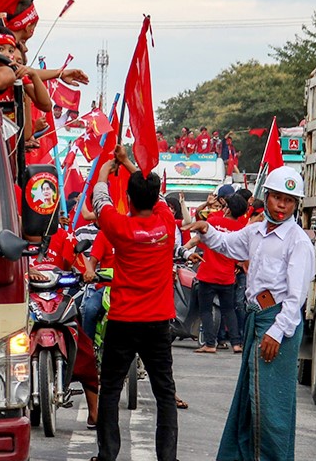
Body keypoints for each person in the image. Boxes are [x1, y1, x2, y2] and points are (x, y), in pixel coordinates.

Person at [188, 166, 315, 461]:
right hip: (256, 318)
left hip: (277, 322)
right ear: (266, 197)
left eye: (290, 200)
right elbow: (227, 245)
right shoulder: (255, 231)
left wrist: (276, 332)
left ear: (295, 205)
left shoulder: (298, 242)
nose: (282, 206)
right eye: (278, 198)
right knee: (250, 398)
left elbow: (296, 298)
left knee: (271, 406)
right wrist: (207, 231)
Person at [91, 145, 177, 461]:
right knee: (165, 394)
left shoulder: (119, 227)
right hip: (158, 323)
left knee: (110, 391)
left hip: (123, 321)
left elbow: (100, 202)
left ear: (127, 199)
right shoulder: (167, 225)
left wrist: (105, 172)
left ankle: (107, 455)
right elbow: (161, 197)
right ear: (155, 201)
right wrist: (129, 163)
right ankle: (168, 458)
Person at [189, 191, 248, 354]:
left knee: (206, 310)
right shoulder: (242, 228)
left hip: (208, 273)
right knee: (229, 310)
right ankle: (236, 343)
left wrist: (208, 205)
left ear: (228, 209)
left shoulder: (213, 221)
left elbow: (199, 226)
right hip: (227, 276)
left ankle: (210, 343)